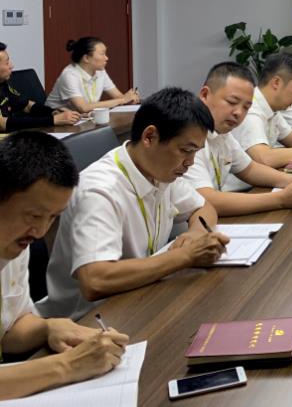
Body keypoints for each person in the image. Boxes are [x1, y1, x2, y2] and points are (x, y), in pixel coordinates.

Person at [39, 88, 230, 320]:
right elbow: (95, 280)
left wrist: (195, 234)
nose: (190, 162)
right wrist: (185, 256)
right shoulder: (99, 191)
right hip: (87, 320)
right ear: (150, 137)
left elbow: (204, 208)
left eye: (195, 152)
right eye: (185, 150)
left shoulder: (159, 168)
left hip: (139, 296)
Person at [0, 132, 129, 399]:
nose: (40, 231)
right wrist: (67, 366)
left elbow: (9, 329)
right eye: (34, 215)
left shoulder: (13, 241)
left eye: (53, 217)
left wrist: (48, 327)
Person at [184, 62, 292, 216]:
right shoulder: (187, 135)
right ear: (204, 95)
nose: (238, 112)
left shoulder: (222, 132)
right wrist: (281, 199)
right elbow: (206, 200)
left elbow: (249, 169)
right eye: (232, 102)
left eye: (246, 107)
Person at [45, 37, 140, 113]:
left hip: (81, 119)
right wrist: (123, 100)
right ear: (86, 58)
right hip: (55, 120)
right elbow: (83, 107)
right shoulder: (69, 75)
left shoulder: (100, 71)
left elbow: (118, 97)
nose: (106, 58)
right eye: (102, 54)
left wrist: (130, 99)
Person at [0, 42, 81, 131]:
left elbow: (26, 105)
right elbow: (2, 124)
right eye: (7, 63)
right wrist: (53, 120)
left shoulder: (3, 84)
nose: (12, 66)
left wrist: (53, 112)